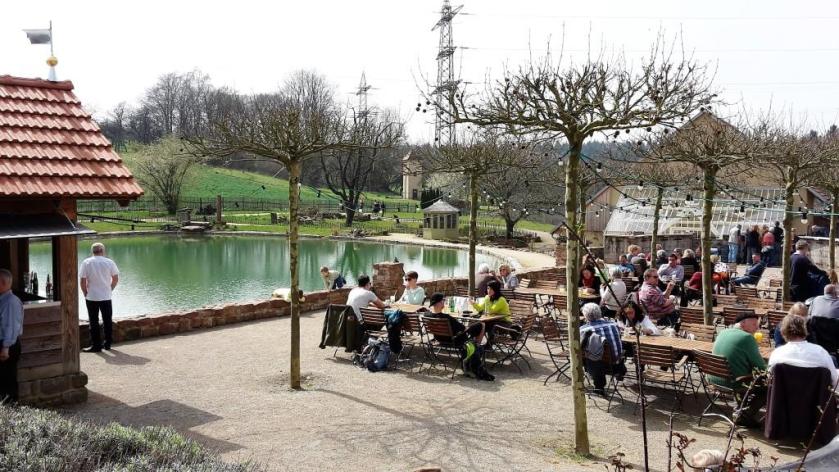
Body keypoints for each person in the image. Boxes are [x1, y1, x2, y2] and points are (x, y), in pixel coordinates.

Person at [710, 311, 768, 427]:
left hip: (713, 378)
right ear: (742, 324)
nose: (757, 328)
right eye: (754, 325)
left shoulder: (722, 332)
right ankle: (744, 416)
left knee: (745, 373)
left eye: (757, 325)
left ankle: (740, 408)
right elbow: (761, 367)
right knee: (769, 387)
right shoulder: (747, 338)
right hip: (733, 382)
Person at [769, 313, 838, 386]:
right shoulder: (820, 352)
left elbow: (770, 378)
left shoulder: (777, 354)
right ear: (805, 330)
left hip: (783, 396)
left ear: (783, 332)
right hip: (816, 396)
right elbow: (834, 380)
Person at [80, 243, 120, 352]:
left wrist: (85, 292)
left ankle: (96, 345)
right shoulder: (109, 262)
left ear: (92, 251)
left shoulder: (86, 262)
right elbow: (115, 278)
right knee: (107, 320)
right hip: (106, 296)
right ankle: (108, 344)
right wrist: (110, 289)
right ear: (103, 250)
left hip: (91, 296)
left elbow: (83, 281)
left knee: (94, 321)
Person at [580, 303, 625, 397]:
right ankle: (620, 373)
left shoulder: (583, 330)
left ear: (585, 316)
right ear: (600, 313)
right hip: (616, 363)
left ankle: (598, 386)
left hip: (599, 366)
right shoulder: (614, 324)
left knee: (584, 352)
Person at [0, 269, 23, 402]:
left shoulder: (10, 302)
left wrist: (5, 348)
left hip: (7, 345)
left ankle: (11, 411)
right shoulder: (4, 299)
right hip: (5, 343)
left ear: (2, 283)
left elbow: (10, 326)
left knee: (7, 379)